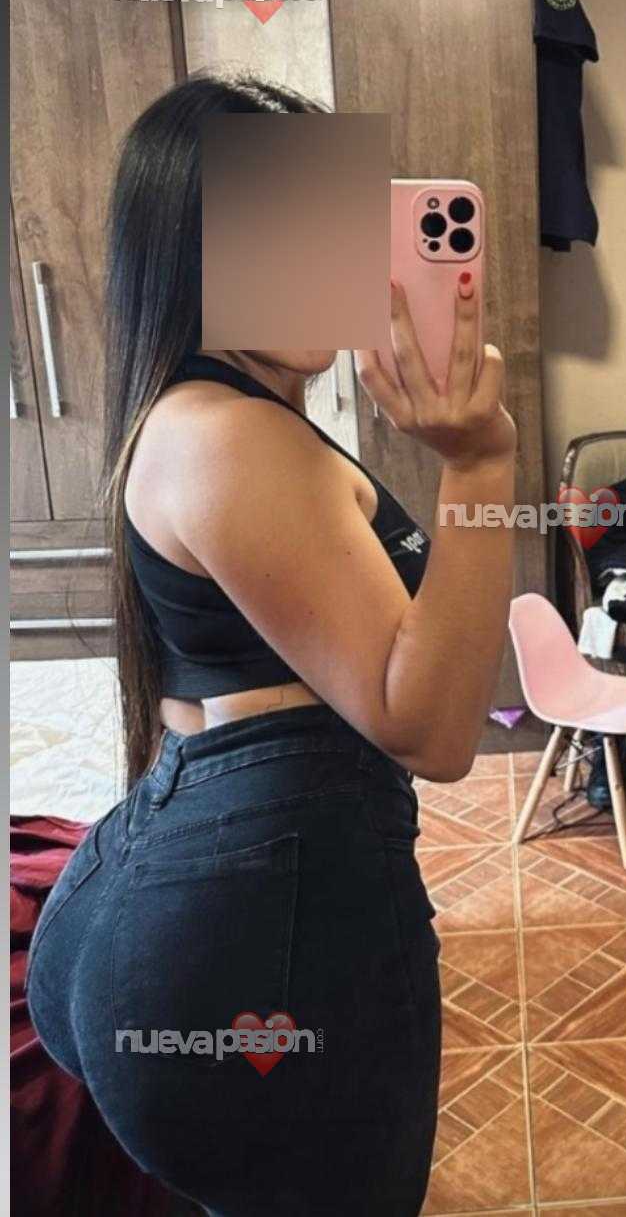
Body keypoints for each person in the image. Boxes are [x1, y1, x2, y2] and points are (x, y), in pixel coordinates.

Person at [26, 75, 516, 1216]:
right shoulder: (234, 440)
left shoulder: (203, 419)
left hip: (191, 906)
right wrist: (482, 462)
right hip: (243, 940)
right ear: (192, 250)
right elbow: (433, 730)